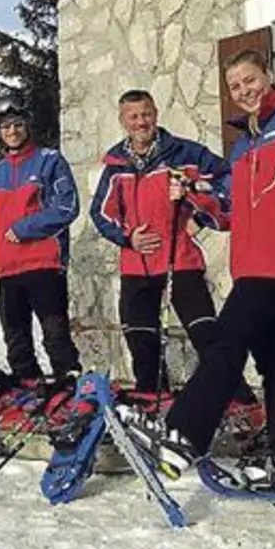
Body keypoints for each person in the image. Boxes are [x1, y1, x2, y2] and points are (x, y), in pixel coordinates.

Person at [119, 49, 275, 497]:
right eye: (235, 86)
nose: (244, 91)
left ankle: (182, 435)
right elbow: (226, 208)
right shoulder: (243, 146)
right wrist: (191, 193)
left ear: (268, 75)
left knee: (226, 341)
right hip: (251, 266)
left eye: (250, 80)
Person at [88, 89, 249, 404]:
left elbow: (228, 182)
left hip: (180, 259)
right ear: (122, 121)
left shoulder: (185, 153)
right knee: (140, 337)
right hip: (136, 263)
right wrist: (128, 237)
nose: (141, 122)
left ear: (156, 114)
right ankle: (152, 397)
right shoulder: (116, 164)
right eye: (133, 116)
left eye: (146, 114)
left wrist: (196, 205)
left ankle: (239, 400)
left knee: (205, 333)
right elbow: (101, 212)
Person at [0, 96, 83, 388]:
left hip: (43, 264)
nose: (12, 131)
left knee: (56, 337)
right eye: (5, 127)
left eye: (17, 125)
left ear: (27, 125)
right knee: (17, 343)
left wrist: (26, 228)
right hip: (7, 271)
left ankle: (71, 390)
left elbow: (67, 207)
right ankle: (28, 392)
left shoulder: (50, 160)